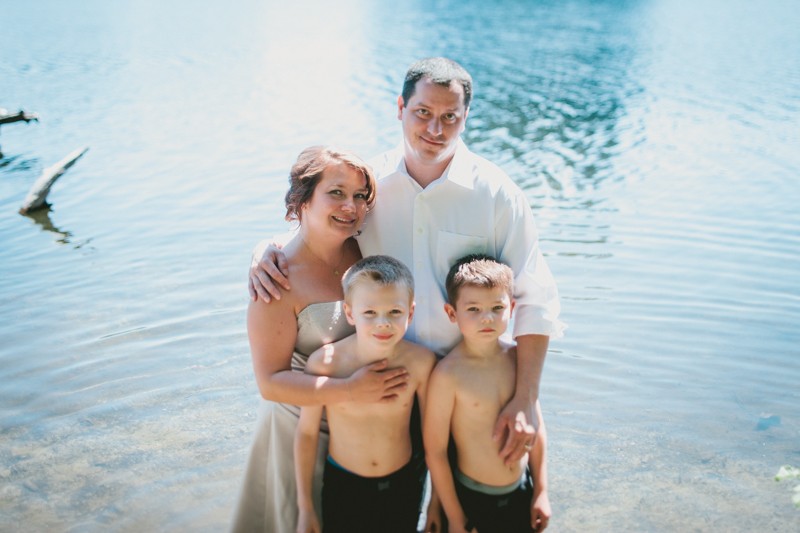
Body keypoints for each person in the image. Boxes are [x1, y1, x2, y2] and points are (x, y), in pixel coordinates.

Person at [250, 57, 565, 463]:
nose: (435, 129)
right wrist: (266, 250)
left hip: (468, 387)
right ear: (400, 108)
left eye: (450, 116)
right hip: (386, 385)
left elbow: (536, 300)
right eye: (423, 113)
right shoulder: (369, 187)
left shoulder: (498, 196)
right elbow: (319, 233)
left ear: (466, 118)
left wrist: (525, 398)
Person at [231, 146, 412, 533]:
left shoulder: (365, 252)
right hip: (299, 432)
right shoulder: (276, 280)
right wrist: (349, 390)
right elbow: (269, 383)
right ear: (302, 198)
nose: (351, 205)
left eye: (361, 196)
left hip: (362, 431)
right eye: (336, 192)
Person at [295, 255, 437, 533]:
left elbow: (434, 436)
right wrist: (305, 508)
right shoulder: (326, 363)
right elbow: (307, 433)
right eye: (369, 313)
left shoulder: (421, 362)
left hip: (404, 482)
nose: (382, 322)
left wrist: (437, 501)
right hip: (344, 485)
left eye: (394, 312)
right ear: (350, 313)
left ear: (410, 312)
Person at [424, 254, 551, 533]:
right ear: (451, 313)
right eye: (474, 309)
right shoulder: (448, 375)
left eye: (497, 307)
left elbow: (536, 427)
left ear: (512, 307)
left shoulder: (520, 360)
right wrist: (454, 516)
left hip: (520, 490)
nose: (487, 318)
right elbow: (435, 451)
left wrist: (541, 490)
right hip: (471, 498)